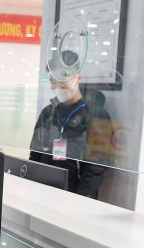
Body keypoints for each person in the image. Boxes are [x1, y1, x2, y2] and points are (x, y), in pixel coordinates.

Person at [30, 51, 111, 199]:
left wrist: (77, 201)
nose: (57, 86)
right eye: (53, 80)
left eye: (62, 79)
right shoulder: (48, 113)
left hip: (76, 198)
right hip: (44, 195)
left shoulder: (96, 115)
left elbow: (96, 168)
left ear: (78, 77)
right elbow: (35, 156)